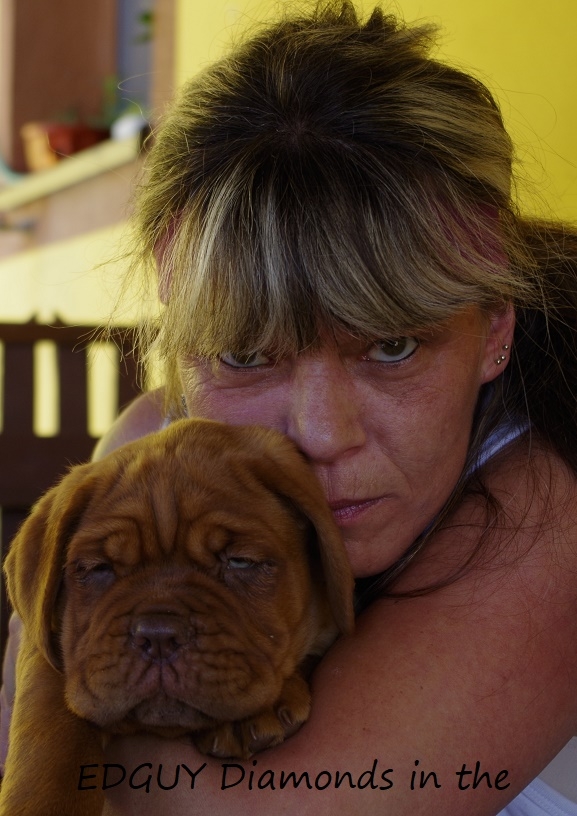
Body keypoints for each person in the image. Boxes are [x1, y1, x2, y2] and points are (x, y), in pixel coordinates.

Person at [3, 2, 577, 814]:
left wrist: (82, 683)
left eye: (391, 347)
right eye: (244, 355)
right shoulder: (160, 444)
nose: (319, 432)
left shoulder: (549, 506)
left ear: (495, 330)